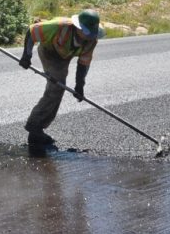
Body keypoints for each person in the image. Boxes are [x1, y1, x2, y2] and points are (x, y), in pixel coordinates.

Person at [18, 10, 105, 148]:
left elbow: (83, 64)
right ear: (78, 27)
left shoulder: (91, 41)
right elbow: (32, 32)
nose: (88, 37)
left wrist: (79, 86)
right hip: (49, 51)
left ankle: (37, 128)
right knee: (57, 87)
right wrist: (26, 56)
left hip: (64, 57)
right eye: (86, 32)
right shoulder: (59, 26)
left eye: (91, 33)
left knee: (59, 89)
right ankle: (35, 126)